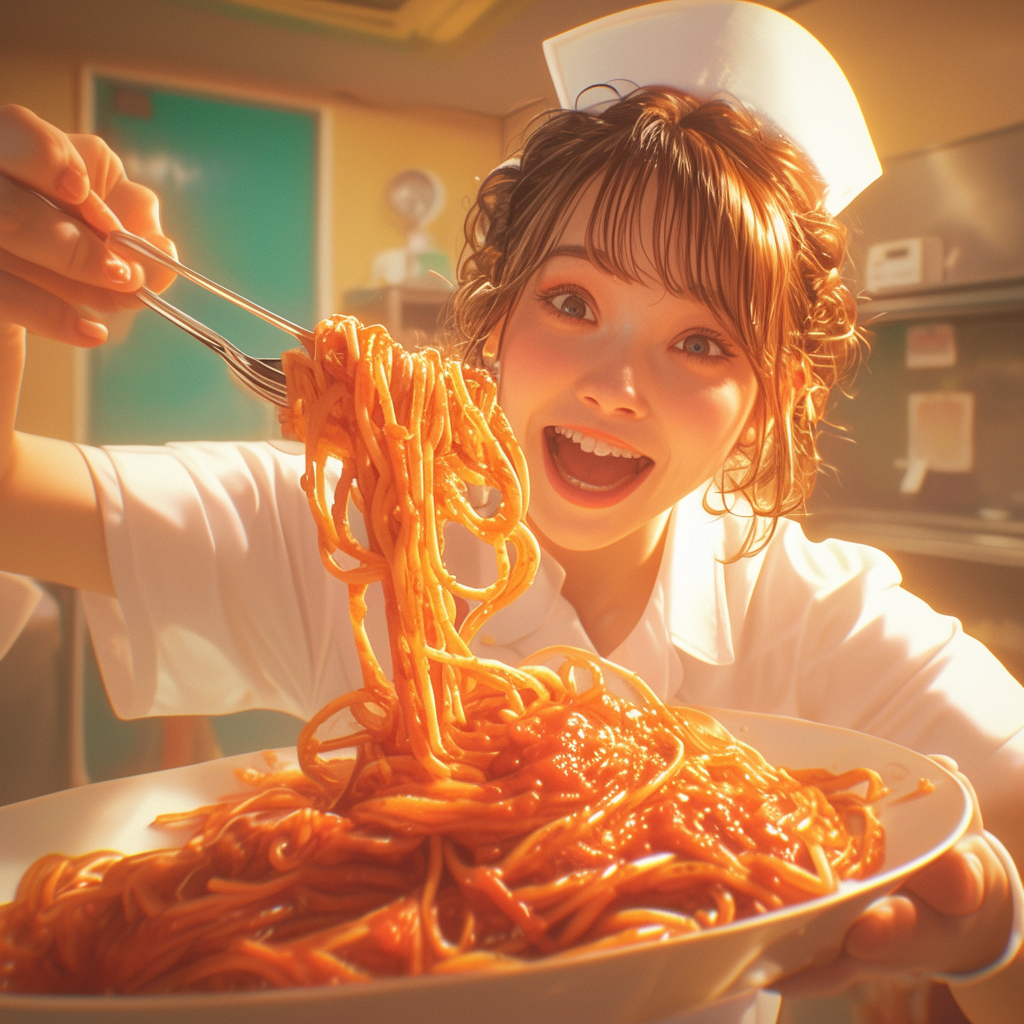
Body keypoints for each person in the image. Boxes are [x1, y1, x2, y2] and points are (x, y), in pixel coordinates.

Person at [0, 2, 1020, 1021]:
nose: (615, 384)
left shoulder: (819, 618)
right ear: (497, 316)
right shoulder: (348, 518)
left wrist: (992, 936)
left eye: (701, 341)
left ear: (775, 400)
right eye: (572, 302)